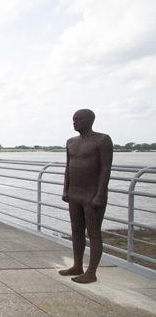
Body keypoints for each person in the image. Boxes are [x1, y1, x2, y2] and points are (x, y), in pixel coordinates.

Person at [59, 109, 113, 283]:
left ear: (89, 121)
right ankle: (77, 265)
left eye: (78, 119)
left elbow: (105, 169)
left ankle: (91, 272)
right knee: (76, 230)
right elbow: (68, 167)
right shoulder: (71, 142)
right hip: (75, 192)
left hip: (92, 194)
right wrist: (65, 190)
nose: (74, 122)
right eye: (73, 119)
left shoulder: (102, 140)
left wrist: (99, 194)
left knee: (94, 232)